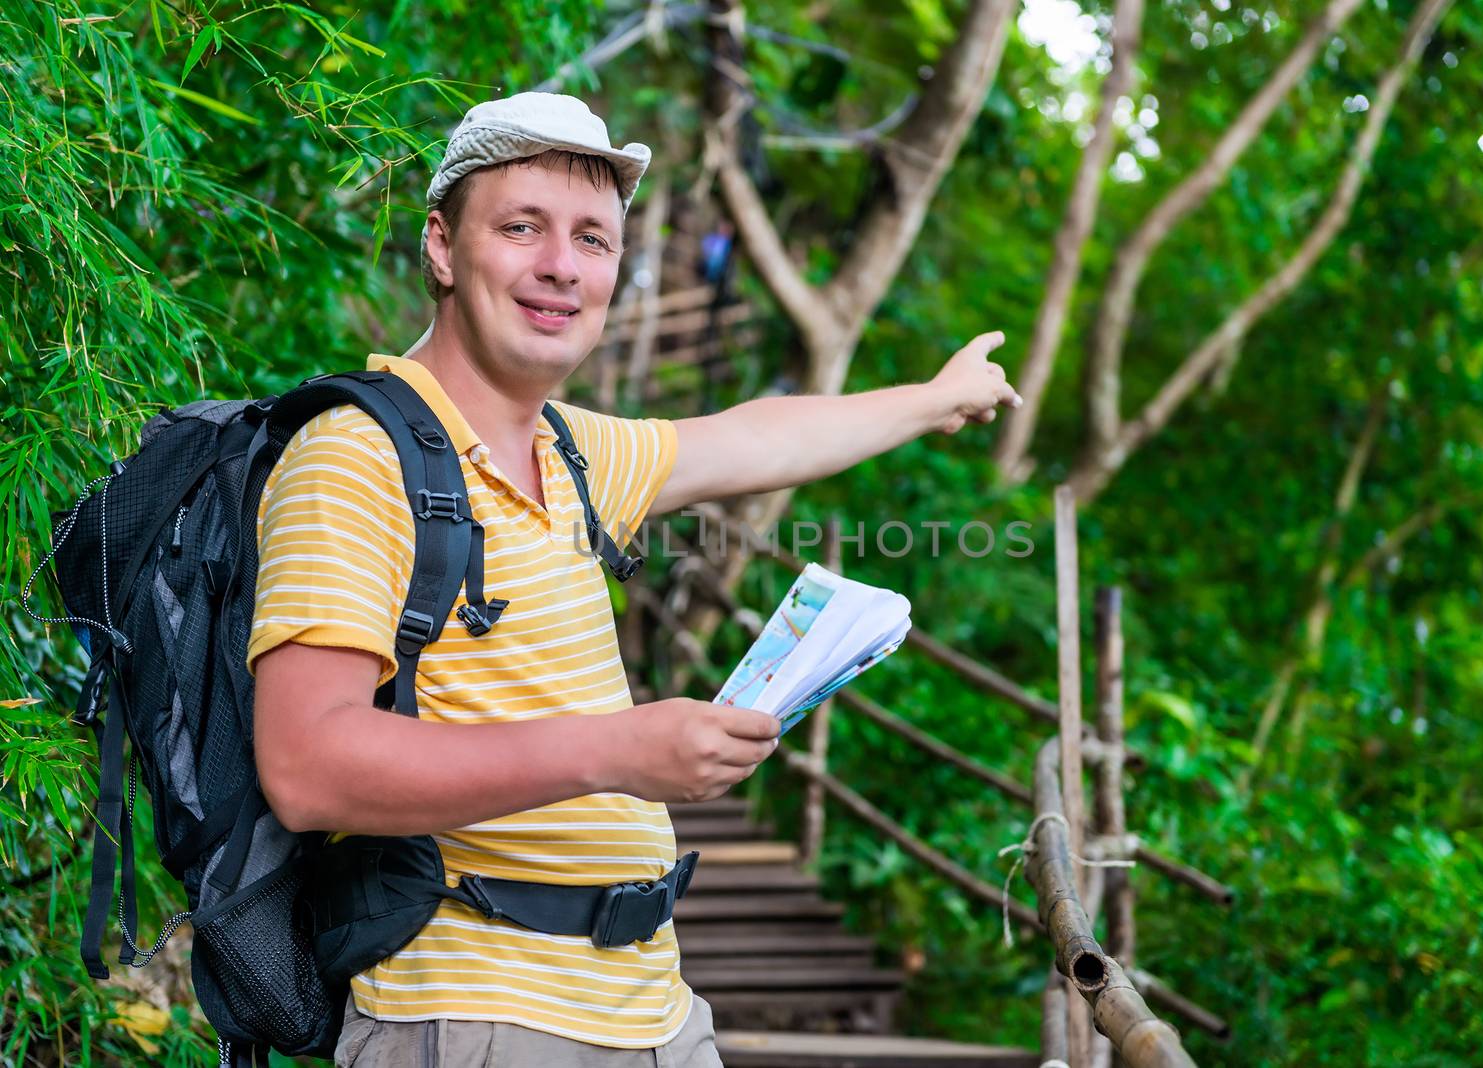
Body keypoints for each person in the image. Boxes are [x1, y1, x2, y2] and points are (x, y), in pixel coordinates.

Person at [249, 91, 1021, 1068]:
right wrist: (617, 751)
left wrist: (931, 399)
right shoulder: (356, 457)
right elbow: (308, 767)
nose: (561, 267)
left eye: (593, 239)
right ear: (441, 247)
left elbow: (750, 436)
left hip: (654, 1010)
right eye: (521, 228)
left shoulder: (570, 451)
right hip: (477, 1013)